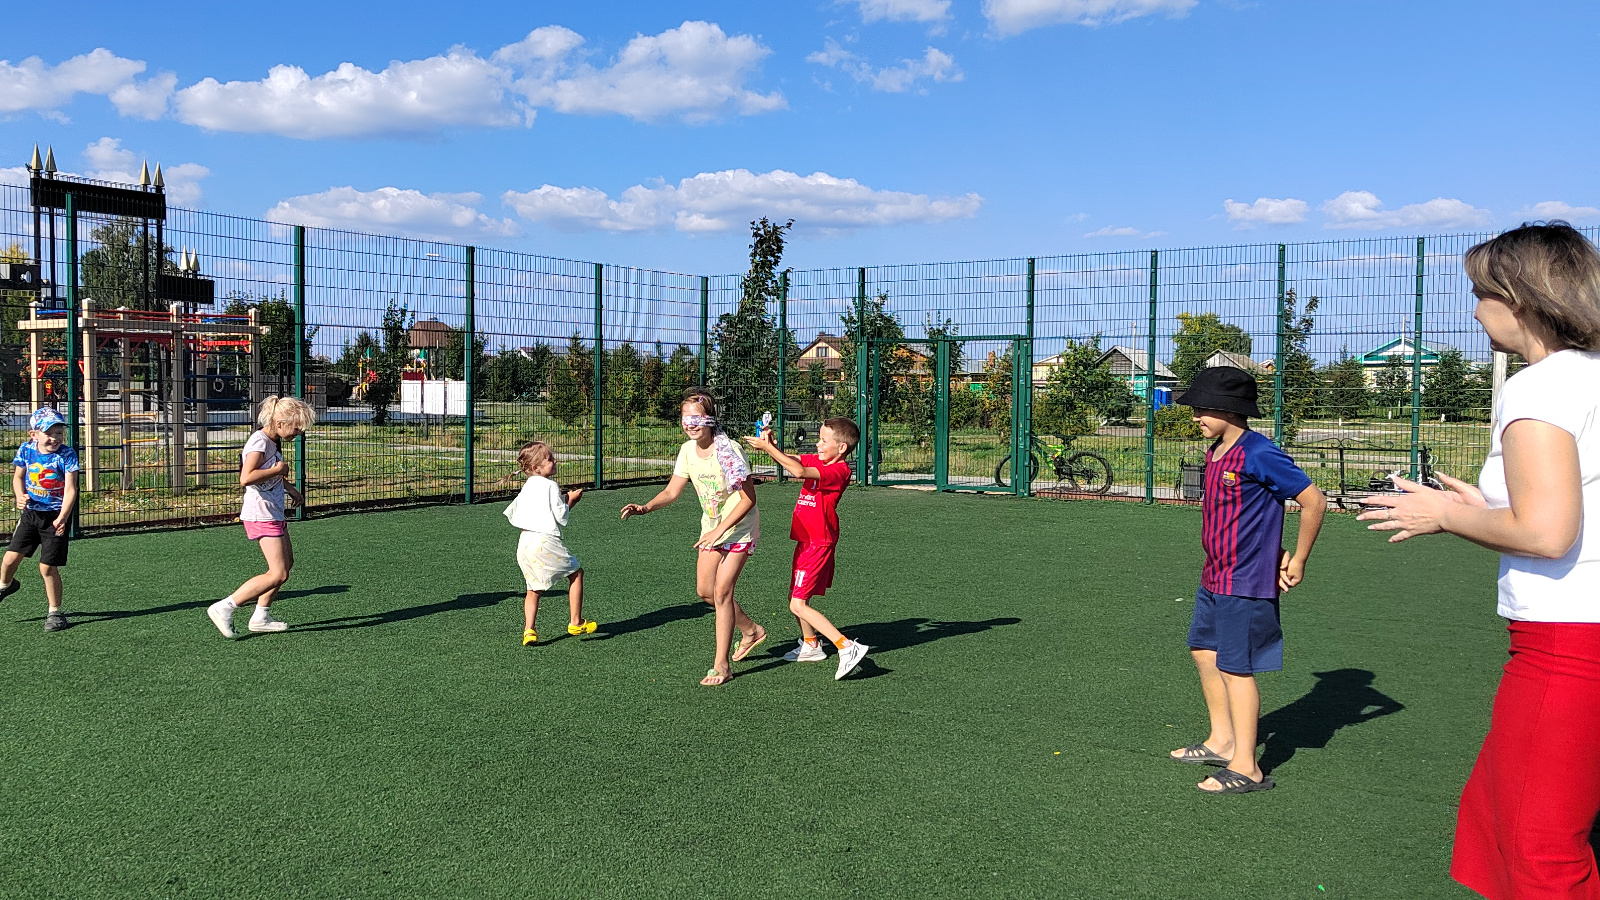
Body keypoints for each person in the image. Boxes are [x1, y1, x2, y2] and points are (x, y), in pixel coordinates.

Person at [1359, 222, 1600, 899]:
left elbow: (1547, 533)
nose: (1473, 311)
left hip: (1569, 645)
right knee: (1509, 818)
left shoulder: (1540, 387)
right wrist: (1483, 506)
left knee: (1536, 847)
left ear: (1522, 299)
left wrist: (1443, 514)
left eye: (1480, 294)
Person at [1167, 365, 1327, 794]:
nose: (1195, 416)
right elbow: (1250, 515)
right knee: (1204, 651)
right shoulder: (1215, 451)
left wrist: (1298, 558)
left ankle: (1247, 767)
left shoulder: (1258, 452)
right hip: (1214, 574)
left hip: (1245, 580)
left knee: (1236, 667)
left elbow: (1313, 501)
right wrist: (1274, 547)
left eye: (1202, 409)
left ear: (1229, 408)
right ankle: (1222, 741)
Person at [620, 388, 764, 686]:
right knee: (705, 592)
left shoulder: (729, 451)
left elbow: (748, 499)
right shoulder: (687, 451)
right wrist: (645, 507)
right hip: (711, 528)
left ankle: (721, 666)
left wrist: (720, 530)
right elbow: (672, 491)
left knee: (722, 592)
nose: (691, 424)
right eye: (686, 418)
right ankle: (751, 630)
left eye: (697, 417)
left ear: (711, 419)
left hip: (739, 528)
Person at [743, 416, 870, 680]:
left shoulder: (839, 471)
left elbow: (799, 472)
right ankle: (811, 644)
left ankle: (846, 646)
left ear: (841, 448)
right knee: (797, 596)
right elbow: (794, 461)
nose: (818, 445)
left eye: (823, 440)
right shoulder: (820, 460)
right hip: (807, 539)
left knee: (798, 604)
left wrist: (768, 449)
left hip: (818, 542)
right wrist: (771, 446)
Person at [207, 396, 315, 638]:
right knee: (278, 573)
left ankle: (261, 616)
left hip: (272, 511)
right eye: (296, 428)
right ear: (280, 423)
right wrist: (278, 469)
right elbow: (246, 477)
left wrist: (290, 488)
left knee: (286, 565)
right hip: (261, 514)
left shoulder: (272, 441)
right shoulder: (259, 441)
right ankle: (225, 607)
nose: (299, 433)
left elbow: (268, 474)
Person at [505, 440, 593, 646]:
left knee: (533, 589)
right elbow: (561, 516)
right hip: (545, 540)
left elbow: (515, 512)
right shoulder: (551, 485)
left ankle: (529, 630)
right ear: (536, 467)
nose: (555, 461)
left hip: (525, 542)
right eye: (550, 459)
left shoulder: (528, 486)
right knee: (576, 573)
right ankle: (576, 622)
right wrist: (571, 500)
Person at [0, 408, 80, 632]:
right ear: (34, 434)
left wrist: (63, 517)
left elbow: (71, 489)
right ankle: (5, 585)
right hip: (31, 514)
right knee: (9, 559)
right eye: (49, 433)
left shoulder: (67, 455)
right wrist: (20, 496)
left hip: (55, 517)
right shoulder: (26, 450)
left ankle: (55, 612)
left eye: (59, 433)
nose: (55, 438)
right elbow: (18, 477)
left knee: (47, 567)